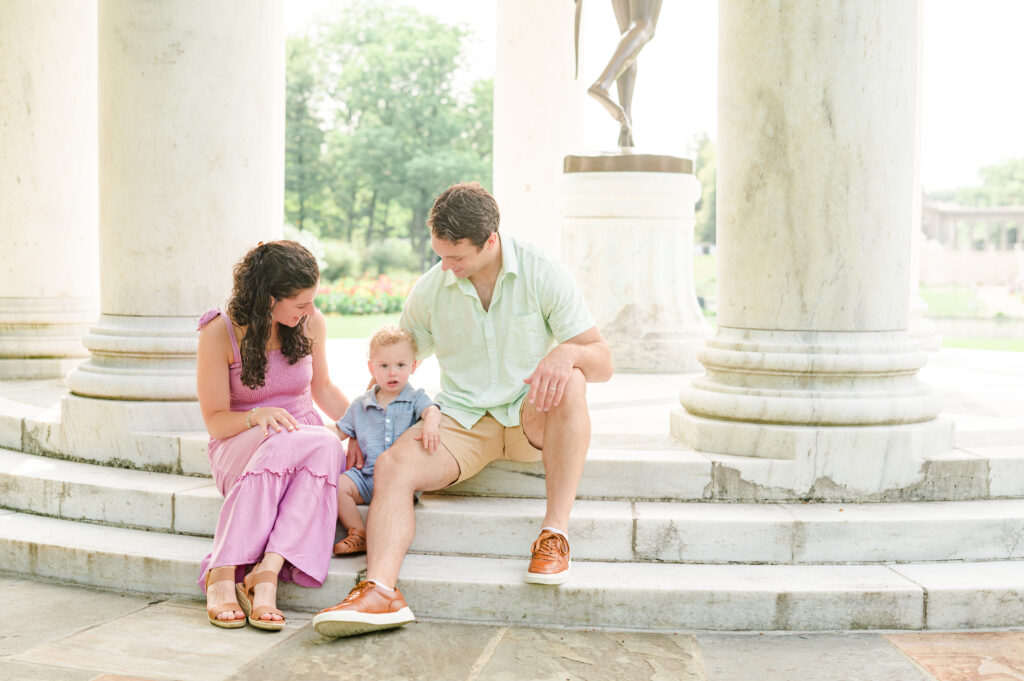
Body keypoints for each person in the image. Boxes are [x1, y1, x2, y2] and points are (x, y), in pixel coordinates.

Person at [313, 182, 613, 639]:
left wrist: (567, 354)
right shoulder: (433, 288)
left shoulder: (542, 270)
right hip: (462, 422)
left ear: (490, 241)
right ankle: (380, 591)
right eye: (440, 256)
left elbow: (603, 361)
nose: (446, 268)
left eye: (457, 258)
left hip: (531, 414)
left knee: (572, 378)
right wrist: (361, 423)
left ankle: (554, 535)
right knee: (393, 464)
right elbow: (394, 361)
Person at [196, 240, 352, 631]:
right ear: (269, 298)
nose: (310, 311)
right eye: (300, 304)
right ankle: (222, 570)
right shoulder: (219, 332)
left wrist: (361, 426)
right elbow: (215, 421)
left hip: (303, 439)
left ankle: (265, 573)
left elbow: (324, 390)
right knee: (319, 443)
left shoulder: (311, 324)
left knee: (324, 444)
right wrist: (256, 417)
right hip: (241, 443)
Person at [330, 326, 441, 555]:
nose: (393, 373)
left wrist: (431, 421)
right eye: (384, 366)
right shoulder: (360, 404)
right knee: (339, 484)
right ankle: (357, 532)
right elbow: (338, 431)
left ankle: (387, 536)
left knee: (399, 487)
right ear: (372, 367)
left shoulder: (415, 398)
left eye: (401, 365)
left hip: (399, 481)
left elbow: (431, 410)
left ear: (413, 365)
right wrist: (307, 433)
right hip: (366, 478)